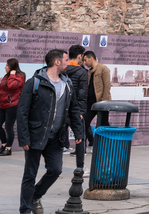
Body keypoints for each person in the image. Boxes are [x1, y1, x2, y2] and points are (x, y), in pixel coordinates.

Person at [18, 49, 84, 214]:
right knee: (30, 174)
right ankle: (25, 210)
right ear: (57, 62)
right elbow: (22, 112)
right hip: (35, 136)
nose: (68, 63)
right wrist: (24, 137)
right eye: (66, 60)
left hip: (56, 137)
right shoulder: (35, 82)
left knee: (55, 170)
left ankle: (35, 195)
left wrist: (79, 132)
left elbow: (74, 110)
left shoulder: (67, 84)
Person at [64, 45, 89, 164]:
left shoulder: (62, 69)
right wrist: (82, 112)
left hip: (61, 109)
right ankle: (80, 167)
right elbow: (82, 94)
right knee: (80, 138)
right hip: (75, 110)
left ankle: (54, 168)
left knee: (58, 139)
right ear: (79, 56)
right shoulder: (82, 72)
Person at [82, 51, 111, 151]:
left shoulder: (103, 69)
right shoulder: (89, 71)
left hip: (102, 103)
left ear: (91, 58)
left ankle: (107, 146)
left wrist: (103, 103)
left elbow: (107, 87)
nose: (84, 62)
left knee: (104, 124)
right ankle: (87, 146)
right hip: (90, 104)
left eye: (85, 60)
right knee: (84, 122)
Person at [0, 58, 25, 155]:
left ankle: (9, 148)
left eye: (6, 65)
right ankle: (4, 144)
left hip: (12, 104)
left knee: (8, 126)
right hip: (3, 104)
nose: (5, 67)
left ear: (12, 66)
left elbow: (11, 86)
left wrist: (13, 74)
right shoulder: (7, 76)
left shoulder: (19, 76)